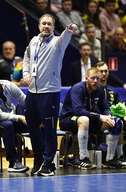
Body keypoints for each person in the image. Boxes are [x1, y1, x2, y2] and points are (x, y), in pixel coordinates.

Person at [22, 13, 78, 176]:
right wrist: (25, 73)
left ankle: (48, 163)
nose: (46, 26)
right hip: (32, 93)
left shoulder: (57, 43)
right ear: (39, 26)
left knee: (49, 130)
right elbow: (26, 57)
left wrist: (69, 29)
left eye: (49, 24)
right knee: (32, 128)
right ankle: (38, 159)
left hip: (50, 92)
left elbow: (66, 35)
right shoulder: (33, 41)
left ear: (54, 27)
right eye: (43, 23)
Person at [59, 67, 123, 169]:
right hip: (69, 119)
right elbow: (78, 111)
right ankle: (83, 159)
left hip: (90, 120)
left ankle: (112, 158)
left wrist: (108, 115)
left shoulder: (100, 90)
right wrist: (100, 116)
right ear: (86, 78)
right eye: (93, 78)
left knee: (117, 121)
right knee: (84, 119)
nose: (96, 81)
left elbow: (105, 107)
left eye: (98, 79)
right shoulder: (78, 89)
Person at [95, 61, 126, 168]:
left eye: (106, 71)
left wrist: (125, 115)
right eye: (101, 71)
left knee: (119, 122)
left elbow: (120, 106)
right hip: (97, 119)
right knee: (116, 121)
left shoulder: (113, 90)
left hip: (112, 119)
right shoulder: (93, 88)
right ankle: (112, 157)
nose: (104, 73)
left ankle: (120, 156)